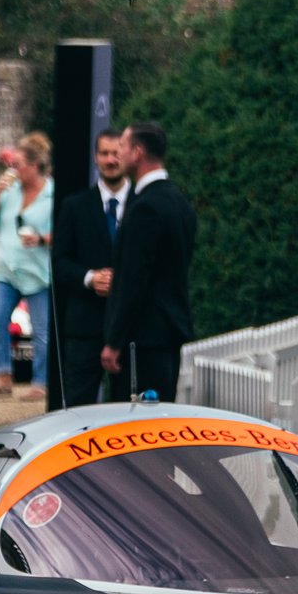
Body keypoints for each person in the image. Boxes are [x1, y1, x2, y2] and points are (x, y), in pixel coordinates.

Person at [95, 121, 198, 401]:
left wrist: (114, 341)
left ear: (138, 152)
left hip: (143, 339)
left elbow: (133, 279)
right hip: (168, 332)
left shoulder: (146, 207)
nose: (118, 154)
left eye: (124, 147)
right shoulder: (179, 201)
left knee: (134, 426)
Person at [52, 126, 132, 407]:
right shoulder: (74, 206)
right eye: (104, 153)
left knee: (129, 413)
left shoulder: (142, 204)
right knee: (78, 410)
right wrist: (89, 278)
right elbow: (59, 263)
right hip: (85, 326)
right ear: (95, 158)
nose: (110, 160)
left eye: (116, 153)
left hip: (130, 329)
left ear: (127, 155)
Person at [0, 131, 53, 397]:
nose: (13, 170)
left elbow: (68, 230)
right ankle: (2, 378)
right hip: (7, 269)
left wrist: (42, 239)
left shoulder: (52, 194)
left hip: (38, 272)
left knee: (41, 330)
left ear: (34, 166)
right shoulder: (9, 191)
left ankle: (41, 383)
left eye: (18, 165)